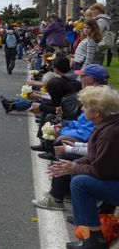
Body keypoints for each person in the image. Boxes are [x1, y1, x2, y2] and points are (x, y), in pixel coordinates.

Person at [46, 85, 119, 249]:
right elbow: (93, 158)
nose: (82, 109)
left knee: (80, 183)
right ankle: (89, 228)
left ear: (97, 112)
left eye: (85, 106)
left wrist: (74, 167)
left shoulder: (109, 134)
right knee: (77, 172)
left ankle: (92, 242)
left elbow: (100, 171)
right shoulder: (108, 126)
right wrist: (73, 165)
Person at [89, 3, 113, 67]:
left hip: (98, 47)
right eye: (92, 10)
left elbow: (97, 32)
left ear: (100, 10)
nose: (92, 11)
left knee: (94, 67)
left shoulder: (101, 20)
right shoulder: (102, 19)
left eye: (94, 10)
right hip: (100, 47)